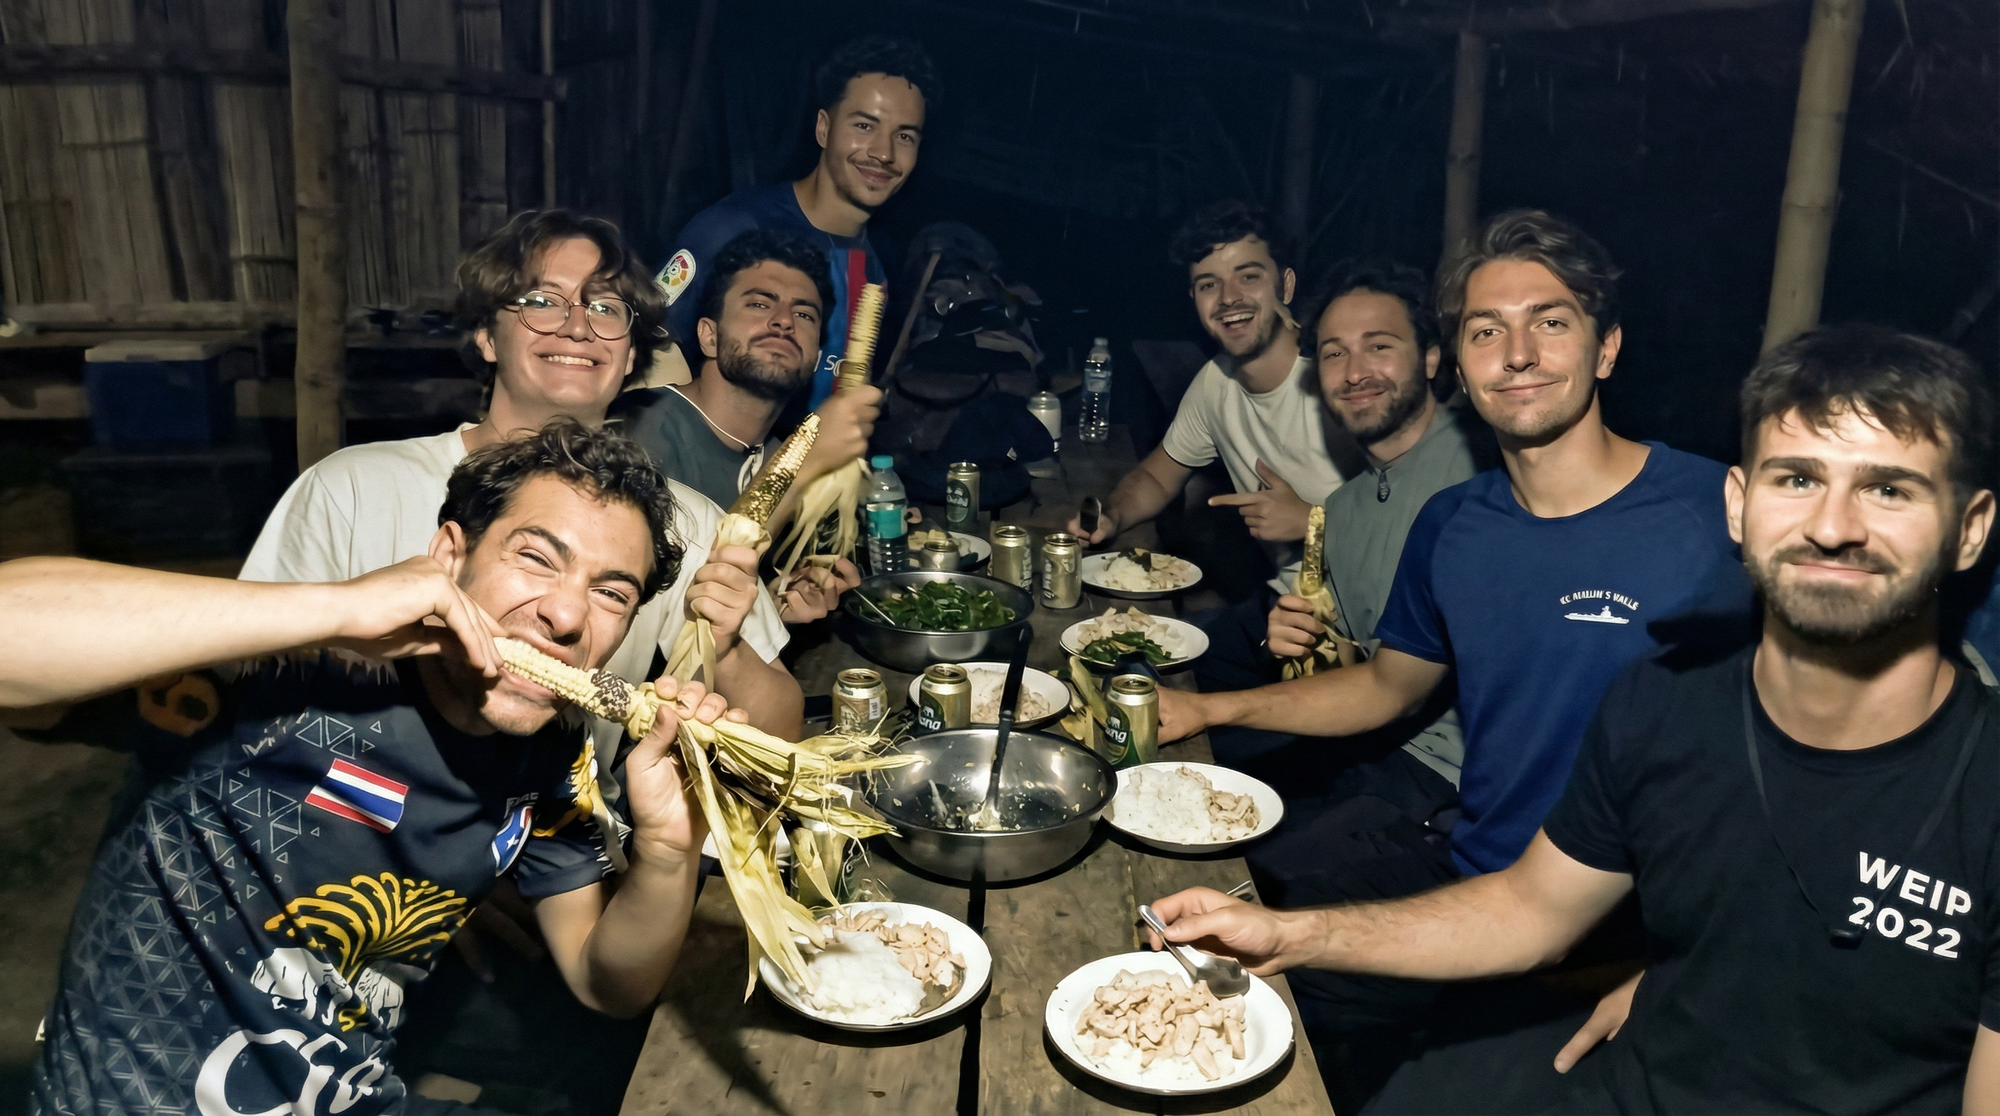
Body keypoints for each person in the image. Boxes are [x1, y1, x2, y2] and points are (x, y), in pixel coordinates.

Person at [1150, 324, 2000, 1114]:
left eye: (1888, 489)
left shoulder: (1980, 782)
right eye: (1798, 478)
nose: (1833, 526)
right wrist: (1284, 934)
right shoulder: (1661, 702)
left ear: (1969, 531)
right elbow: (1529, 910)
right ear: (1738, 506)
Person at [1156, 210, 1744, 1104]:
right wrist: (1210, 709)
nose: (1517, 353)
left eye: (1549, 321)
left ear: (1608, 348)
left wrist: (1695, 967)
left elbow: (1856, 756)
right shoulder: (1455, 527)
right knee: (1192, 972)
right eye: (1485, 329)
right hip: (1484, 892)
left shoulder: (1720, 517)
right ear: (1460, 364)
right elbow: (1391, 688)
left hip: (1624, 942)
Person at [2, 421, 744, 1116]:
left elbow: (604, 979)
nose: (567, 616)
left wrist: (668, 853)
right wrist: (334, 608)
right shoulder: (284, 673)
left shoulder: (549, 753)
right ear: (449, 557)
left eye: (611, 592)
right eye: (535, 557)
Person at [242, 210, 805, 737]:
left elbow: (782, 729)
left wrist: (725, 652)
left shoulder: (689, 522)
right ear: (487, 336)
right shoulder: (353, 489)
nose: (578, 327)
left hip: (572, 829)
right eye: (542, 301)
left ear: (631, 356)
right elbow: (248, 680)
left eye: (606, 308)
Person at [1222, 259, 1485, 1106]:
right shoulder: (1346, 505)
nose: (1355, 370)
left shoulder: (1479, 466)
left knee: (1264, 904)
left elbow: (1400, 685)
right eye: (1333, 353)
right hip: (1384, 754)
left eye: (1380, 346)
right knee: (1226, 843)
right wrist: (1302, 632)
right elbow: (1358, 659)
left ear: (1434, 360)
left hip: (1455, 790)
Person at [658, 36, 938, 410]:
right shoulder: (733, 227)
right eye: (864, 126)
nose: (884, 153)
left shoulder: (876, 270)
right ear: (823, 128)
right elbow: (648, 346)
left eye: (904, 136)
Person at [619, 229, 882, 614]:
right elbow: (676, 607)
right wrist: (804, 456)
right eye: (759, 305)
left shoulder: (774, 452)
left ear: (815, 358)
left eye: (804, 314)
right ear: (709, 337)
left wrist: (775, 608)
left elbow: (715, 621)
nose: (784, 322)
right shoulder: (638, 433)